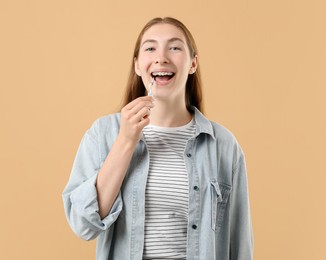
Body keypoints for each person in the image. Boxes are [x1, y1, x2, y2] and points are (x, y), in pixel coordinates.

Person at [62, 17, 253, 260]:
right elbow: (83, 225)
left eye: (174, 47)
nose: (161, 57)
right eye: (150, 48)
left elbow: (239, 243)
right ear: (138, 66)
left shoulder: (223, 145)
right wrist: (126, 140)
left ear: (193, 63)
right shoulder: (103, 135)